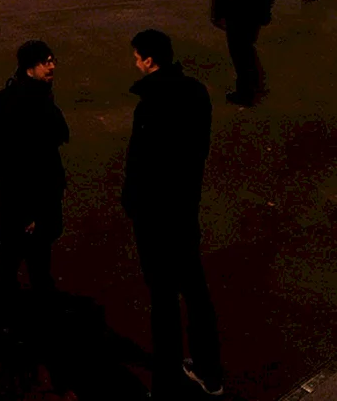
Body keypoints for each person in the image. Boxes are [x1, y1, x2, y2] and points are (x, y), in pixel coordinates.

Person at [121, 29, 221, 399]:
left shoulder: (150, 104)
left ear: (149, 60)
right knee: (195, 291)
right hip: (185, 206)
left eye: (137, 57)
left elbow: (141, 162)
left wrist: (133, 202)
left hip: (155, 215)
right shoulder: (196, 93)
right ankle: (210, 372)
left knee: (163, 300)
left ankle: (165, 382)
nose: (135, 63)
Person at [0, 39, 68, 315]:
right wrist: (32, 211)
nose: (51, 66)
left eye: (52, 60)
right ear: (31, 67)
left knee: (13, 255)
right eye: (46, 62)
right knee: (33, 257)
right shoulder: (33, 104)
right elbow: (29, 161)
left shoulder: (10, 99)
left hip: (18, 197)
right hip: (31, 199)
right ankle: (28, 311)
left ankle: (6, 306)